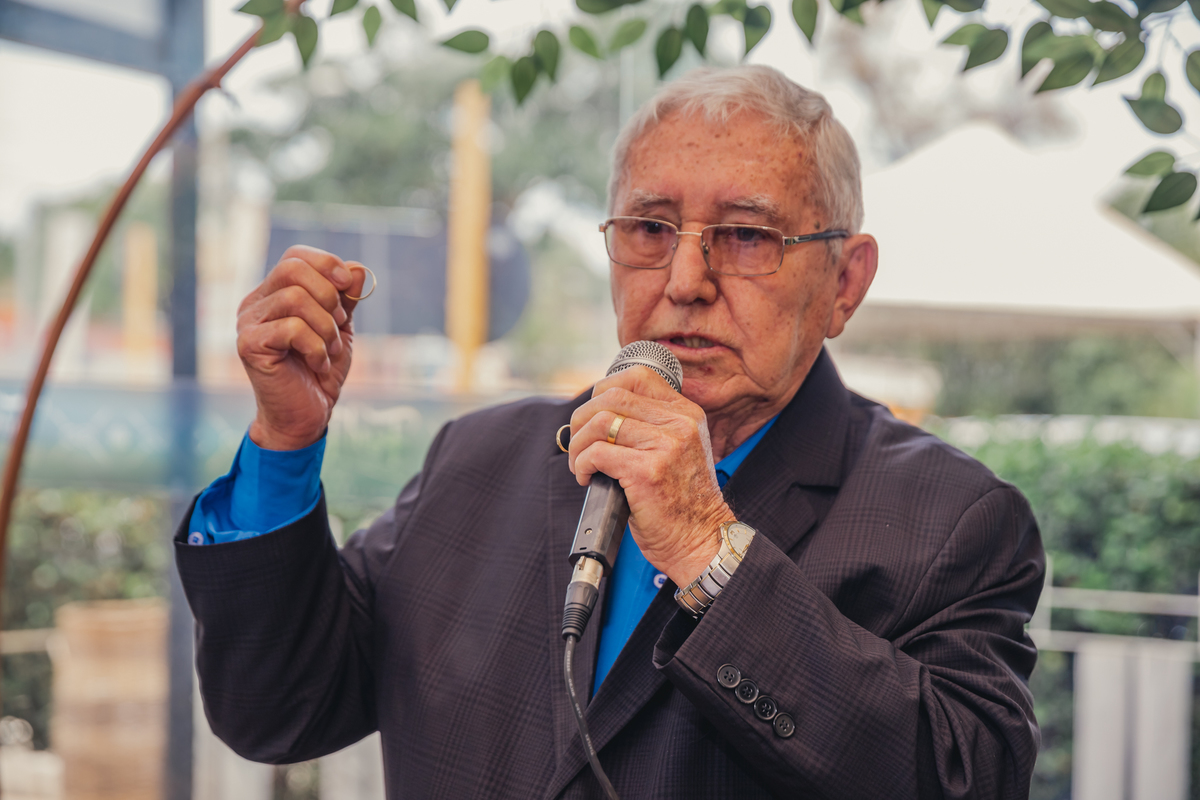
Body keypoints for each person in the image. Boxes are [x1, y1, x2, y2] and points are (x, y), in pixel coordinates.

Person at [177, 65, 1044, 798]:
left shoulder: (951, 519)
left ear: (844, 283)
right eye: (649, 229)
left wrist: (712, 552)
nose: (686, 279)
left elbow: (964, 776)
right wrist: (285, 445)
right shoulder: (479, 462)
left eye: (745, 235)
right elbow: (279, 707)